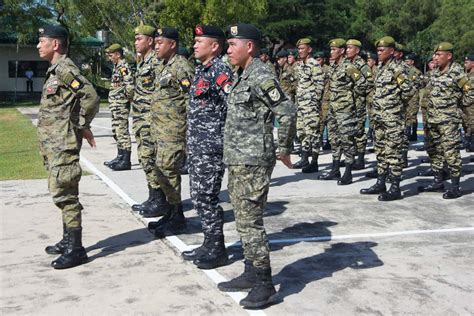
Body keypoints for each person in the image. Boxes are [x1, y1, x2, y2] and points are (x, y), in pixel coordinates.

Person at [216, 23, 296, 308]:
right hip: (238, 159)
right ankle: (251, 272)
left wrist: (284, 148)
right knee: (241, 217)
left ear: (248, 46)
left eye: (232, 45)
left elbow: (286, 110)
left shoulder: (261, 74)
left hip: (254, 161)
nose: (228, 49)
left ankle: (265, 283)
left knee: (251, 221)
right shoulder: (242, 75)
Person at [36, 25, 99, 269]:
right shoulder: (54, 71)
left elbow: (91, 96)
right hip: (54, 144)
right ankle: (67, 239)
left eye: (43, 41)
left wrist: (82, 124)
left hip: (63, 143)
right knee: (61, 192)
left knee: (66, 194)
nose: (39, 45)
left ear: (56, 44)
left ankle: (76, 249)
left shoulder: (64, 70)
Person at [180, 25, 233, 269]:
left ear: (214, 46)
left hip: (211, 147)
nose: (194, 45)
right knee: (198, 197)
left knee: (206, 197)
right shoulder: (203, 70)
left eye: (199, 41)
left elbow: (233, 104)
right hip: (198, 146)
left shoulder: (220, 70)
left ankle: (217, 248)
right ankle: (209, 242)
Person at [146, 27, 194, 236]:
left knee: (169, 172)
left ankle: (178, 217)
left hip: (174, 132)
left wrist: (189, 134)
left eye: (160, 43)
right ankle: (172, 212)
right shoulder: (164, 66)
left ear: (172, 44)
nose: (156, 46)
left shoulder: (181, 67)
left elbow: (191, 101)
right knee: (161, 173)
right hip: (160, 131)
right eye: (155, 43)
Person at [360, 36, 414, 201]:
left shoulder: (398, 69)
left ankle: (395, 187)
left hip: (392, 118)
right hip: (379, 118)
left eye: (382, 50)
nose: (379, 53)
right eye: (378, 50)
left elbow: (408, 91)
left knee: (394, 153)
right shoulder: (380, 68)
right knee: (381, 151)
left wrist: (394, 106)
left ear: (391, 51)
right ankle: (380, 182)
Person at [417, 43, 472, 199]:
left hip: (448, 121)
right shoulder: (434, 73)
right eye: (435, 55)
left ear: (449, 56)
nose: (435, 58)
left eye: (439, 55)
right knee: (433, 150)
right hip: (433, 120)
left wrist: (457, 107)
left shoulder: (457, 74)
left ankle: (455, 186)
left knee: (451, 153)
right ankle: (438, 181)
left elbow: (470, 94)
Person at [130, 25, 167, 217]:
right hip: (140, 119)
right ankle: (153, 196)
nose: (136, 42)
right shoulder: (142, 62)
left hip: (151, 120)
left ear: (150, 41)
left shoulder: (155, 62)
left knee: (151, 159)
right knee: (145, 158)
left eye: (139, 39)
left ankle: (160, 200)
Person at [318, 39, 366, 184]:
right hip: (333, 109)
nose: (331, 52)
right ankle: (335, 169)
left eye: (334, 50)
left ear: (342, 51)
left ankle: (348, 172)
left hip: (345, 110)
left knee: (347, 140)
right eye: (331, 49)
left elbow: (363, 84)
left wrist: (350, 98)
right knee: (334, 139)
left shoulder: (349, 67)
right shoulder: (333, 66)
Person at [293, 37, 324, 173]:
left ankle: (315, 161)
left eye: (302, 48)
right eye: (299, 49)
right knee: (302, 132)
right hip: (300, 105)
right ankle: (305, 158)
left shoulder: (314, 64)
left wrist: (313, 102)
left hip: (310, 106)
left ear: (309, 50)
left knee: (313, 133)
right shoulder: (300, 65)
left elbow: (319, 85)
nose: (299, 51)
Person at [103, 44, 134, 171]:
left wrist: (126, 99)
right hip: (116, 105)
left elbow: (130, 86)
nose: (110, 58)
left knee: (122, 131)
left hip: (120, 104)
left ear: (118, 54)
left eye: (111, 55)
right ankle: (120, 156)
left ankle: (125, 160)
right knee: (116, 131)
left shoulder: (123, 67)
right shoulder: (117, 67)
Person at [346, 39, 374, 170]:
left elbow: (369, 83)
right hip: (348, 103)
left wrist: (356, 92)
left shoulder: (361, 65)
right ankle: (350, 158)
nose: (347, 50)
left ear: (357, 50)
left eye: (350, 48)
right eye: (346, 48)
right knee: (349, 131)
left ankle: (361, 159)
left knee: (358, 131)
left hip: (358, 103)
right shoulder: (347, 63)